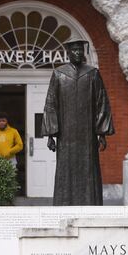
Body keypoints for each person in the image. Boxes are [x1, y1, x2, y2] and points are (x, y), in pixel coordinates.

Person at [42, 34, 114, 206]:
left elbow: (101, 102)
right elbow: (51, 103)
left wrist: (102, 132)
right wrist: (51, 134)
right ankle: (64, 203)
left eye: (80, 49)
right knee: (66, 169)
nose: (77, 52)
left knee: (88, 169)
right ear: (68, 52)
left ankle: (90, 203)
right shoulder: (59, 74)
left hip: (87, 135)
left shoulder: (92, 74)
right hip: (65, 135)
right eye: (74, 49)